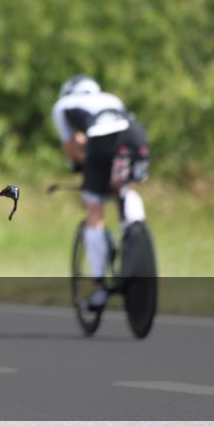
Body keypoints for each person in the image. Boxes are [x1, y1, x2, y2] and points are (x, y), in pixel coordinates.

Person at [51, 75, 150, 310]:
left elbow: (72, 150)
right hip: (136, 136)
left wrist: (86, 167)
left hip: (101, 140)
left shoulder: (62, 106)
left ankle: (99, 288)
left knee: (94, 211)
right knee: (125, 187)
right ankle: (135, 233)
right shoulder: (111, 98)